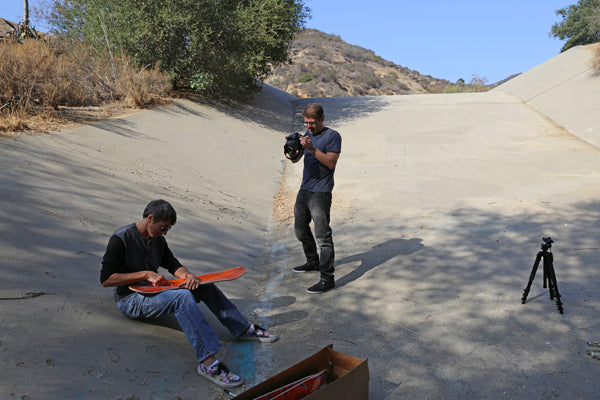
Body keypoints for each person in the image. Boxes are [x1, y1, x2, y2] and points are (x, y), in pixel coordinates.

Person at [100, 199, 278, 388]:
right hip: (130, 299)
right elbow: (106, 280)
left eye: (168, 229)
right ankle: (208, 364)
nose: (165, 233)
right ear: (150, 218)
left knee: (203, 284)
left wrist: (188, 276)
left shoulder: (158, 239)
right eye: (163, 228)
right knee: (182, 297)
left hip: (156, 291)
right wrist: (144, 274)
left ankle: (242, 328)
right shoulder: (120, 239)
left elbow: (173, 264)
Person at [288, 103, 342, 293]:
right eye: (306, 123)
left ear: (322, 119)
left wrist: (312, 149)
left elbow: (331, 163)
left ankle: (328, 278)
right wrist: (292, 147)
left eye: (312, 123)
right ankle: (313, 262)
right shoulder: (307, 134)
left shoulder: (332, 136)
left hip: (321, 192)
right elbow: (296, 159)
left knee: (323, 237)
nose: (309, 126)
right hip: (305, 189)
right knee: (300, 230)